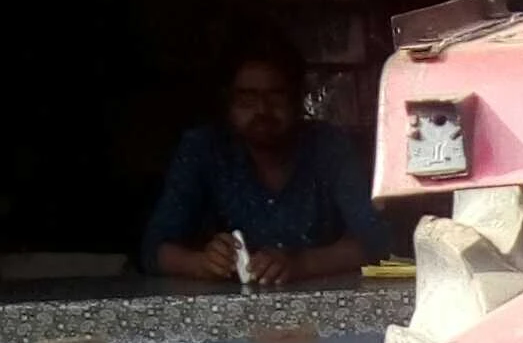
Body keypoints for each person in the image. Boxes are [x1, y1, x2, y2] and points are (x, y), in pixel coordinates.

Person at [143, 30, 386, 286]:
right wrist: (201, 263)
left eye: (276, 95)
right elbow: (153, 249)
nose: (262, 110)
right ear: (227, 100)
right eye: (247, 97)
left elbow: (377, 241)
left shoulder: (329, 146)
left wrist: (300, 264)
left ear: (297, 99)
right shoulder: (204, 149)